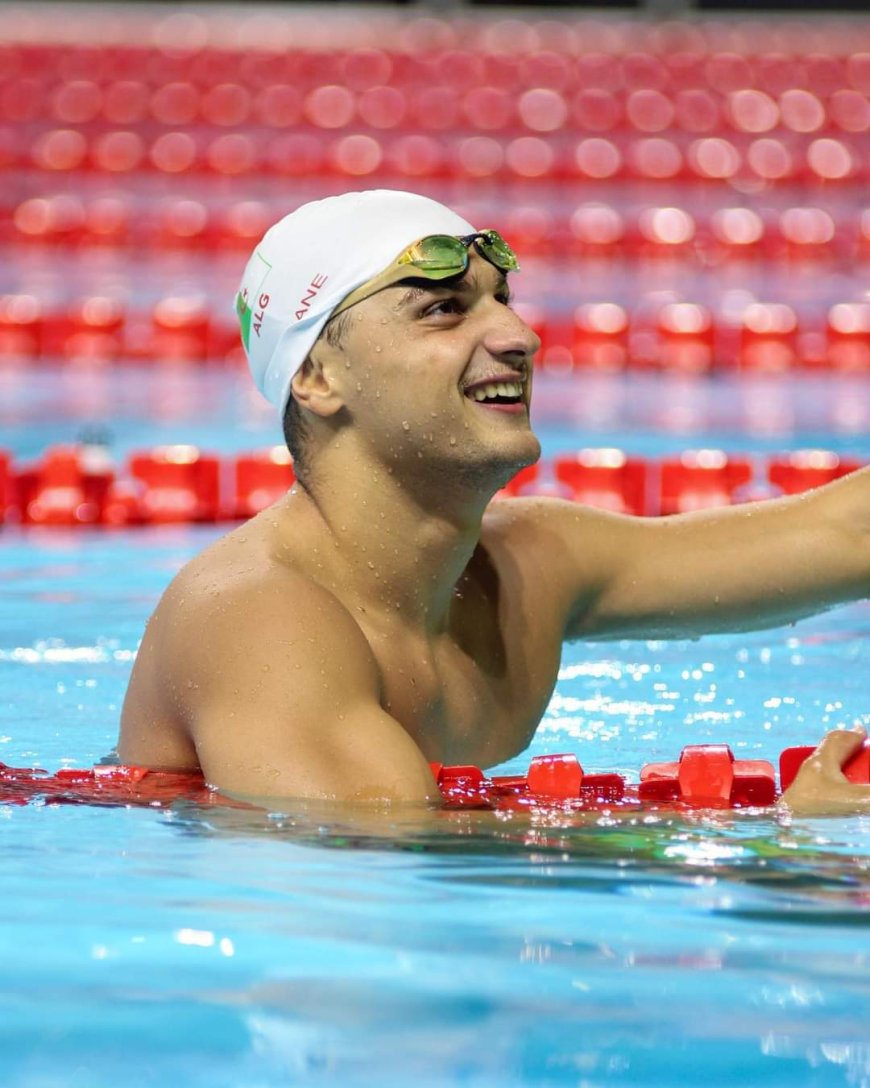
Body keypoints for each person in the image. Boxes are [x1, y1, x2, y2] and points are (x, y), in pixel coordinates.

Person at [118, 189, 870, 816]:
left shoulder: (522, 566)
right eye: (443, 310)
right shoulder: (256, 619)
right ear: (317, 377)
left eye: (501, 300)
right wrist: (774, 833)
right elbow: (382, 865)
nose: (519, 335)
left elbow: (844, 534)